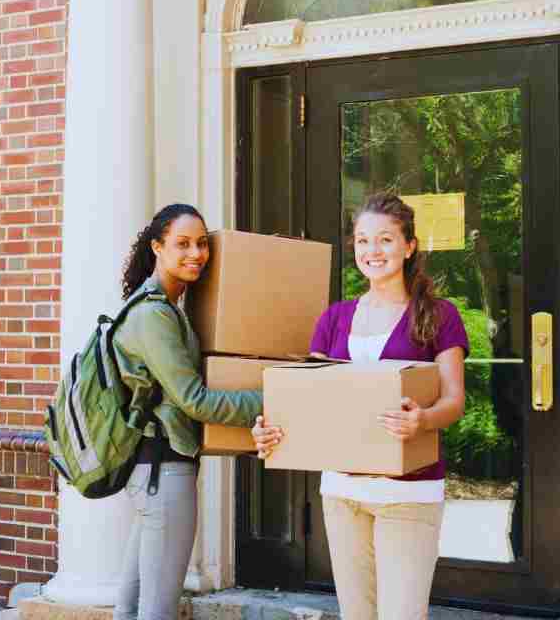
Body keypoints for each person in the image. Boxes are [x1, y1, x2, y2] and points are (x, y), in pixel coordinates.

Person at [252, 192, 468, 620]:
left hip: (408, 492)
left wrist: (422, 420)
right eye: (362, 241)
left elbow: (454, 400)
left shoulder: (439, 315)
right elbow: (308, 402)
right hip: (343, 493)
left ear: (408, 247)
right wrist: (271, 430)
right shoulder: (334, 319)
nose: (373, 251)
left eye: (385, 240)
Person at [112, 204, 264, 620]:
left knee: (130, 607)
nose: (196, 253)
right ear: (157, 247)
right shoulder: (154, 315)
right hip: (164, 473)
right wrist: (275, 398)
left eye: (201, 244)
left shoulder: (163, 308)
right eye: (183, 243)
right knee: (156, 610)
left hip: (152, 473)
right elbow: (194, 400)